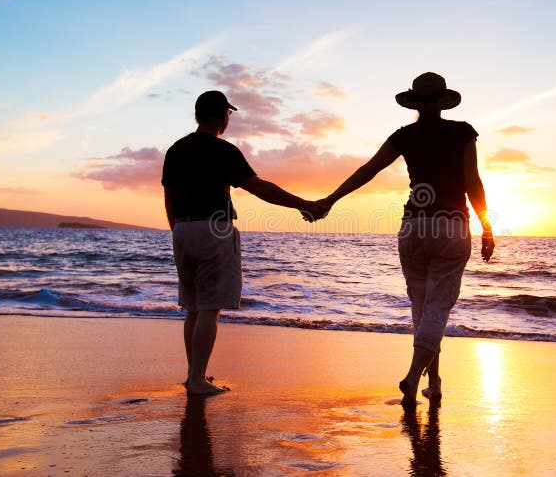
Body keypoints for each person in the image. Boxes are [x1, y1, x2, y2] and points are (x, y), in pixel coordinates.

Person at [316, 72, 494, 408]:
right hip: (451, 227)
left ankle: (435, 382)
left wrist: (331, 199)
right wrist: (486, 226)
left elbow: (367, 170)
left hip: (413, 227)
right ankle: (413, 378)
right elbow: (473, 182)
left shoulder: (406, 136)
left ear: (415, 103)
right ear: (442, 102)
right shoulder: (462, 132)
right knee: (437, 307)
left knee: (423, 308)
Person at [162, 90, 324, 396]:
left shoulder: (175, 150)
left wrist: (177, 231)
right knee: (209, 308)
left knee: (193, 308)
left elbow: (169, 197)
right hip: (214, 230)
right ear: (224, 115)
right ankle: (197, 380)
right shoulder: (223, 150)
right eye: (229, 114)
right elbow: (258, 187)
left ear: (197, 114)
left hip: (181, 229)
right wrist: (302, 204)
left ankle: (194, 375)